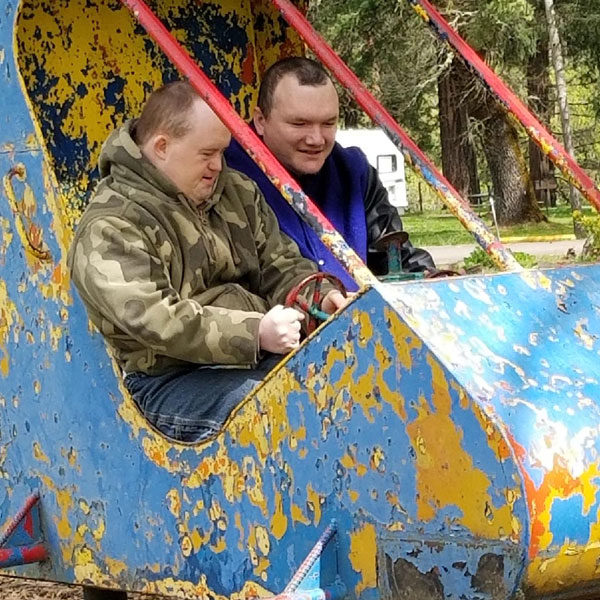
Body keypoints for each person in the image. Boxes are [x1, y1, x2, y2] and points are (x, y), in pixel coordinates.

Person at [68, 80, 347, 449]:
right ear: (162, 148)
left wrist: (319, 296)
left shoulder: (237, 192)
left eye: (222, 152)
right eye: (207, 153)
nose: (218, 165)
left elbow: (280, 263)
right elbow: (156, 319)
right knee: (283, 410)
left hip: (251, 359)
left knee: (341, 384)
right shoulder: (111, 225)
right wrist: (254, 332)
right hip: (167, 381)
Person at [224, 57, 435, 290]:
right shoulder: (225, 176)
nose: (316, 139)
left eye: (328, 123)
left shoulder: (354, 171)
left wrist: (435, 282)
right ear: (261, 120)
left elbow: (396, 257)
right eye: (300, 123)